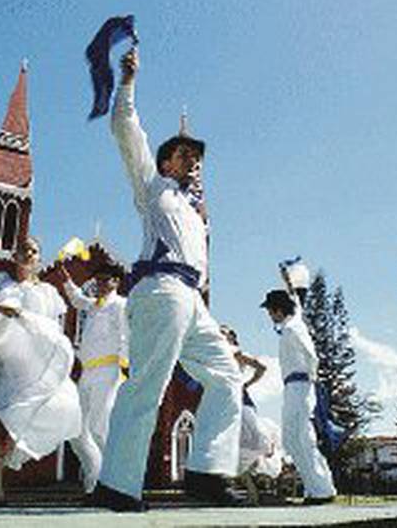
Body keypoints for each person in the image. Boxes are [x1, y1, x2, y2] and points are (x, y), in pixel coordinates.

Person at [93, 47, 243, 512]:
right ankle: (117, 485)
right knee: (146, 386)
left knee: (227, 376)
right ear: (165, 164)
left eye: (197, 155)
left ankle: (205, 474)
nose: (193, 159)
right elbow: (125, 129)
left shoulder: (197, 214)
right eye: (184, 153)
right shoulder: (152, 187)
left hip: (192, 300)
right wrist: (129, 80)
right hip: (160, 289)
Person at [0, 237, 82, 505]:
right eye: (24, 249)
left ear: (39, 257)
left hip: (32, 361)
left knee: (14, 420)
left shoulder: (49, 292)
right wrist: (5, 309)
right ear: (15, 255)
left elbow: (54, 326)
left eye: (34, 250)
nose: (29, 253)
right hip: (1, 354)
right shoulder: (0, 280)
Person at [260, 290, 337, 505]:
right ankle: (316, 489)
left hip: (300, 385)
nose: (269, 315)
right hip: (293, 386)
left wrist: (311, 379)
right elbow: (296, 303)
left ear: (277, 309)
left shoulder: (293, 327)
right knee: (292, 439)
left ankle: (322, 490)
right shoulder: (291, 325)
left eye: (270, 310)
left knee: (302, 437)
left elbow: (311, 354)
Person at [58, 261, 129, 493]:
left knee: (100, 427)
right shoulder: (95, 306)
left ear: (116, 282)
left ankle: (115, 484)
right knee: (76, 429)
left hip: (109, 371)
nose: (100, 283)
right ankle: (95, 480)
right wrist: (67, 280)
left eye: (105, 279)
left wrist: (125, 366)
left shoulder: (120, 305)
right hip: (87, 372)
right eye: (98, 279)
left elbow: (126, 336)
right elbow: (78, 300)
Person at [220, 325, 281, 504]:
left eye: (223, 332)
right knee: (233, 449)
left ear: (231, 338)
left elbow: (261, 367)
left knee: (252, 442)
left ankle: (261, 465)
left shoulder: (235, 353)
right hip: (225, 403)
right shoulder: (216, 354)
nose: (219, 335)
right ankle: (251, 492)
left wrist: (247, 384)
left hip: (241, 401)